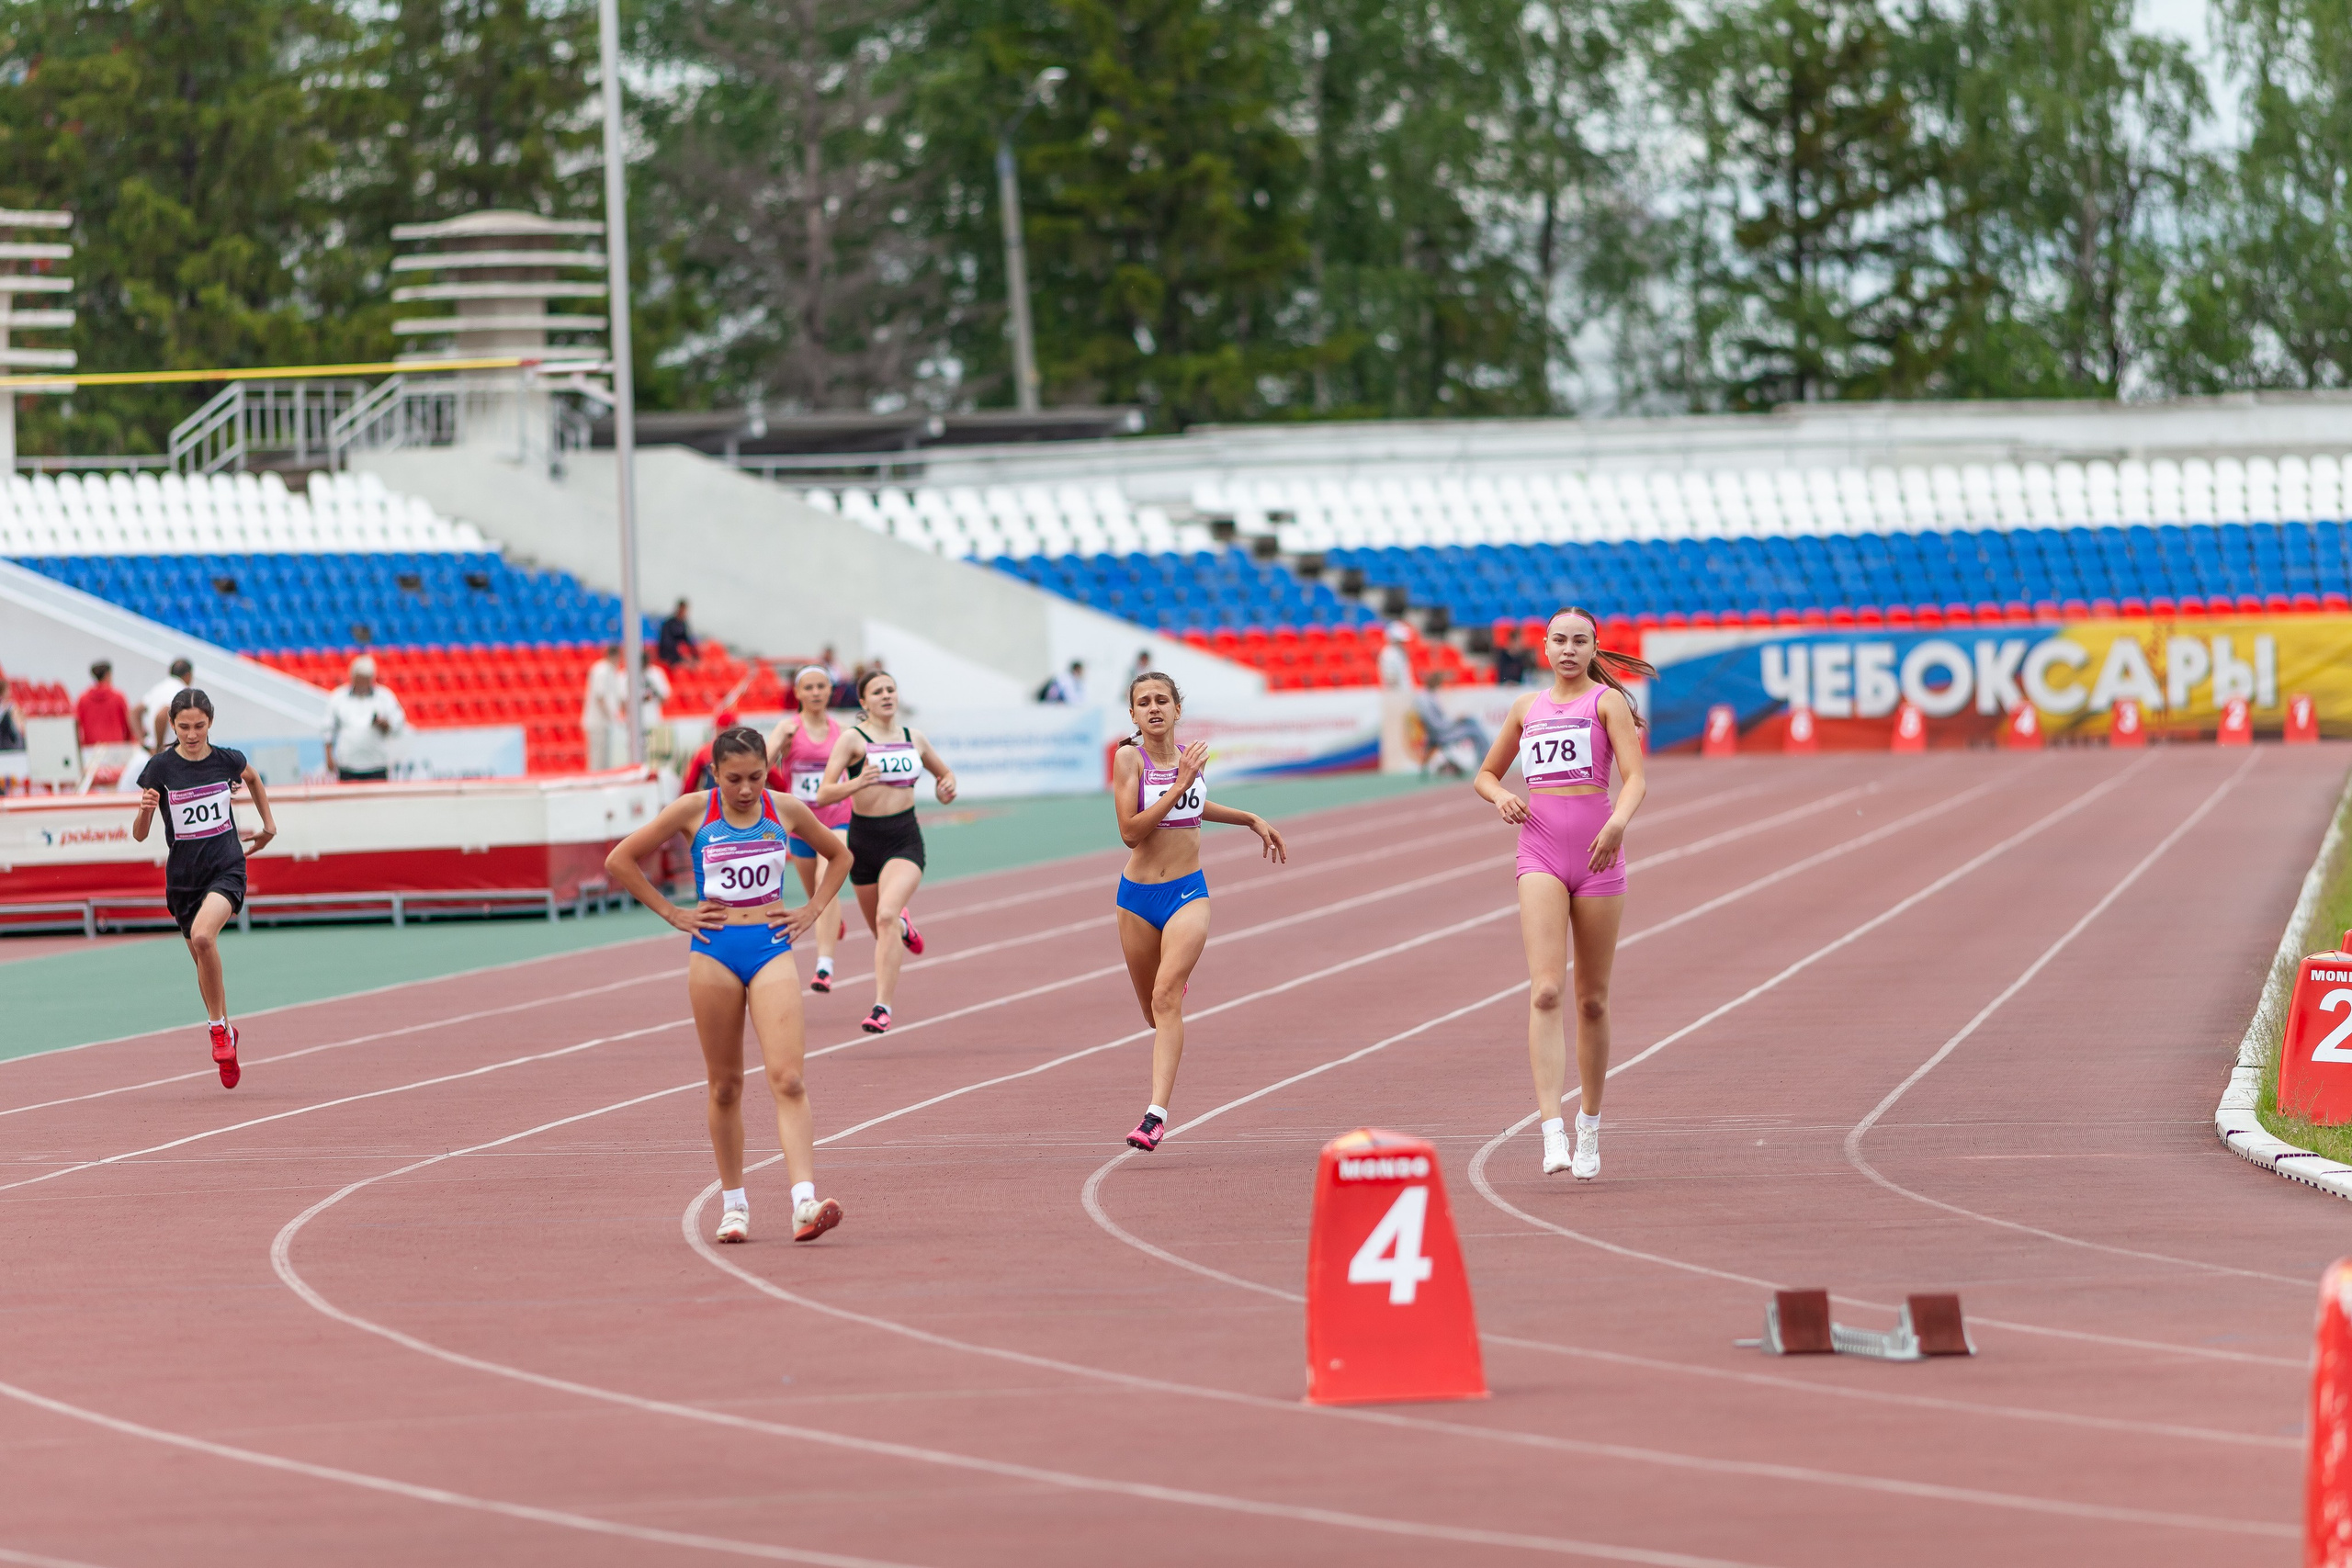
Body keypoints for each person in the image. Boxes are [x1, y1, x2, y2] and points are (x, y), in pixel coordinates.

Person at [604, 727, 852, 1245]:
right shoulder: (694, 811)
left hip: (770, 947)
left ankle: (804, 1202)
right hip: (714, 953)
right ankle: (734, 1205)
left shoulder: (785, 810)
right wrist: (674, 913)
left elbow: (841, 857)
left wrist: (811, 910)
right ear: (714, 773)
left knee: (789, 1078)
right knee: (724, 1085)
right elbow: (620, 860)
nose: (745, 789)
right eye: (734, 778)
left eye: (756, 777)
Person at [1472, 607, 1652, 1182]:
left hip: (1599, 855)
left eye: (1580, 641)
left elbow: (1635, 778)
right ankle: (1551, 1130)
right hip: (1540, 853)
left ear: (1594, 648)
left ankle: (1589, 1125)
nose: (1569, 650)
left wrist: (1618, 824)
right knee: (1546, 990)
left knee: (1591, 1000)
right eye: (1560, 640)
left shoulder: (1607, 703)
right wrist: (1501, 796)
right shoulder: (1527, 708)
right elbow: (1485, 774)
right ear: (1545, 648)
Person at [1110, 671, 1287, 1151]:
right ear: (1133, 714)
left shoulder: (1189, 759)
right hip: (1136, 899)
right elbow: (1130, 832)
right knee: (1153, 1014)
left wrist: (1248, 818)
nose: (1153, 708)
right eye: (1144, 702)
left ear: (1177, 709)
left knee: (1167, 997)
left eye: (1161, 700)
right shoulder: (1130, 759)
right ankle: (1171, 980)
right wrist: (1181, 782)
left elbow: (1194, 805)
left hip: (1188, 893)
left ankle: (1155, 1116)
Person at [131, 689, 278, 1089]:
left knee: (202, 937)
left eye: (199, 726)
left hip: (226, 866)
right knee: (201, 958)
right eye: (184, 727)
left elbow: (252, 777)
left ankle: (215, 1028)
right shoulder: (160, 768)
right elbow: (141, 835)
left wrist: (268, 826)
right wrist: (145, 811)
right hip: (184, 879)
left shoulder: (226, 760)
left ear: (210, 722)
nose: (192, 734)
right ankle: (226, 1029)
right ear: (172, 725)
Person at [812, 670, 956, 1034]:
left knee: (886, 915)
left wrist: (945, 790)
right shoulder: (853, 740)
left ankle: (881, 1008)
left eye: (891, 689)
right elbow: (824, 793)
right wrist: (857, 783)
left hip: (904, 839)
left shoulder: (914, 738)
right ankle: (903, 925)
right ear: (863, 701)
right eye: (877, 692)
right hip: (863, 842)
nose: (887, 695)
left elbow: (945, 776)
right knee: (883, 932)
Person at [766, 667, 855, 993]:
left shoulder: (842, 731)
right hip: (802, 823)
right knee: (817, 895)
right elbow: (761, 765)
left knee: (823, 879)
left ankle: (824, 966)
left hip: (837, 816)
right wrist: (780, 744)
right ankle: (834, 921)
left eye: (821, 686)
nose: (816, 692)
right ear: (798, 693)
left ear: (830, 691)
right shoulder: (788, 728)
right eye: (809, 687)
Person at [323, 655, 408, 782]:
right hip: (347, 764)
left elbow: (398, 723)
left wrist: (384, 724)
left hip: (376, 764)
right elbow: (328, 729)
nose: (362, 684)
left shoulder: (384, 697)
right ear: (353, 677)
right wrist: (328, 756)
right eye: (360, 679)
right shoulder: (338, 697)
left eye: (366, 679)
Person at [1414, 670, 1488, 776]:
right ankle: (1483, 763)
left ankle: (1483, 761)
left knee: (1472, 721)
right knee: (1475, 730)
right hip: (1442, 734)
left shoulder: (1429, 696)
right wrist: (1456, 720)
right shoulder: (1424, 699)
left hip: (1441, 731)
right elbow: (1437, 725)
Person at [582, 647, 628, 769]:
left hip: (607, 723)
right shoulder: (601, 670)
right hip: (598, 722)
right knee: (597, 758)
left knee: (606, 759)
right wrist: (611, 715)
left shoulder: (613, 672)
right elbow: (600, 696)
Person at [138, 659, 195, 750]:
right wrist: (159, 747)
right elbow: (162, 715)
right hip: (166, 750)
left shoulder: (159, 687)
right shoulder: (183, 691)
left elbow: (135, 711)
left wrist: (141, 739)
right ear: (188, 675)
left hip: (149, 748)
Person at [74, 660, 134, 749]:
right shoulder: (118, 697)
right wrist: (129, 745)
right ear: (108, 675)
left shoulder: (83, 699)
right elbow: (129, 724)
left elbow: (76, 724)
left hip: (91, 748)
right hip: (116, 748)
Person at [658, 599, 699, 668]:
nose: (683, 613)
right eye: (682, 610)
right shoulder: (669, 623)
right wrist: (678, 648)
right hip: (669, 653)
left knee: (694, 659)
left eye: (684, 611)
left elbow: (688, 640)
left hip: (679, 653)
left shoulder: (684, 624)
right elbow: (665, 641)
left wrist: (694, 652)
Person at [1377, 623, 1414, 689]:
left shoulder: (1400, 652)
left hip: (1405, 690)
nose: (1403, 644)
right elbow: (1390, 679)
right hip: (1396, 692)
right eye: (1400, 641)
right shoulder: (1388, 654)